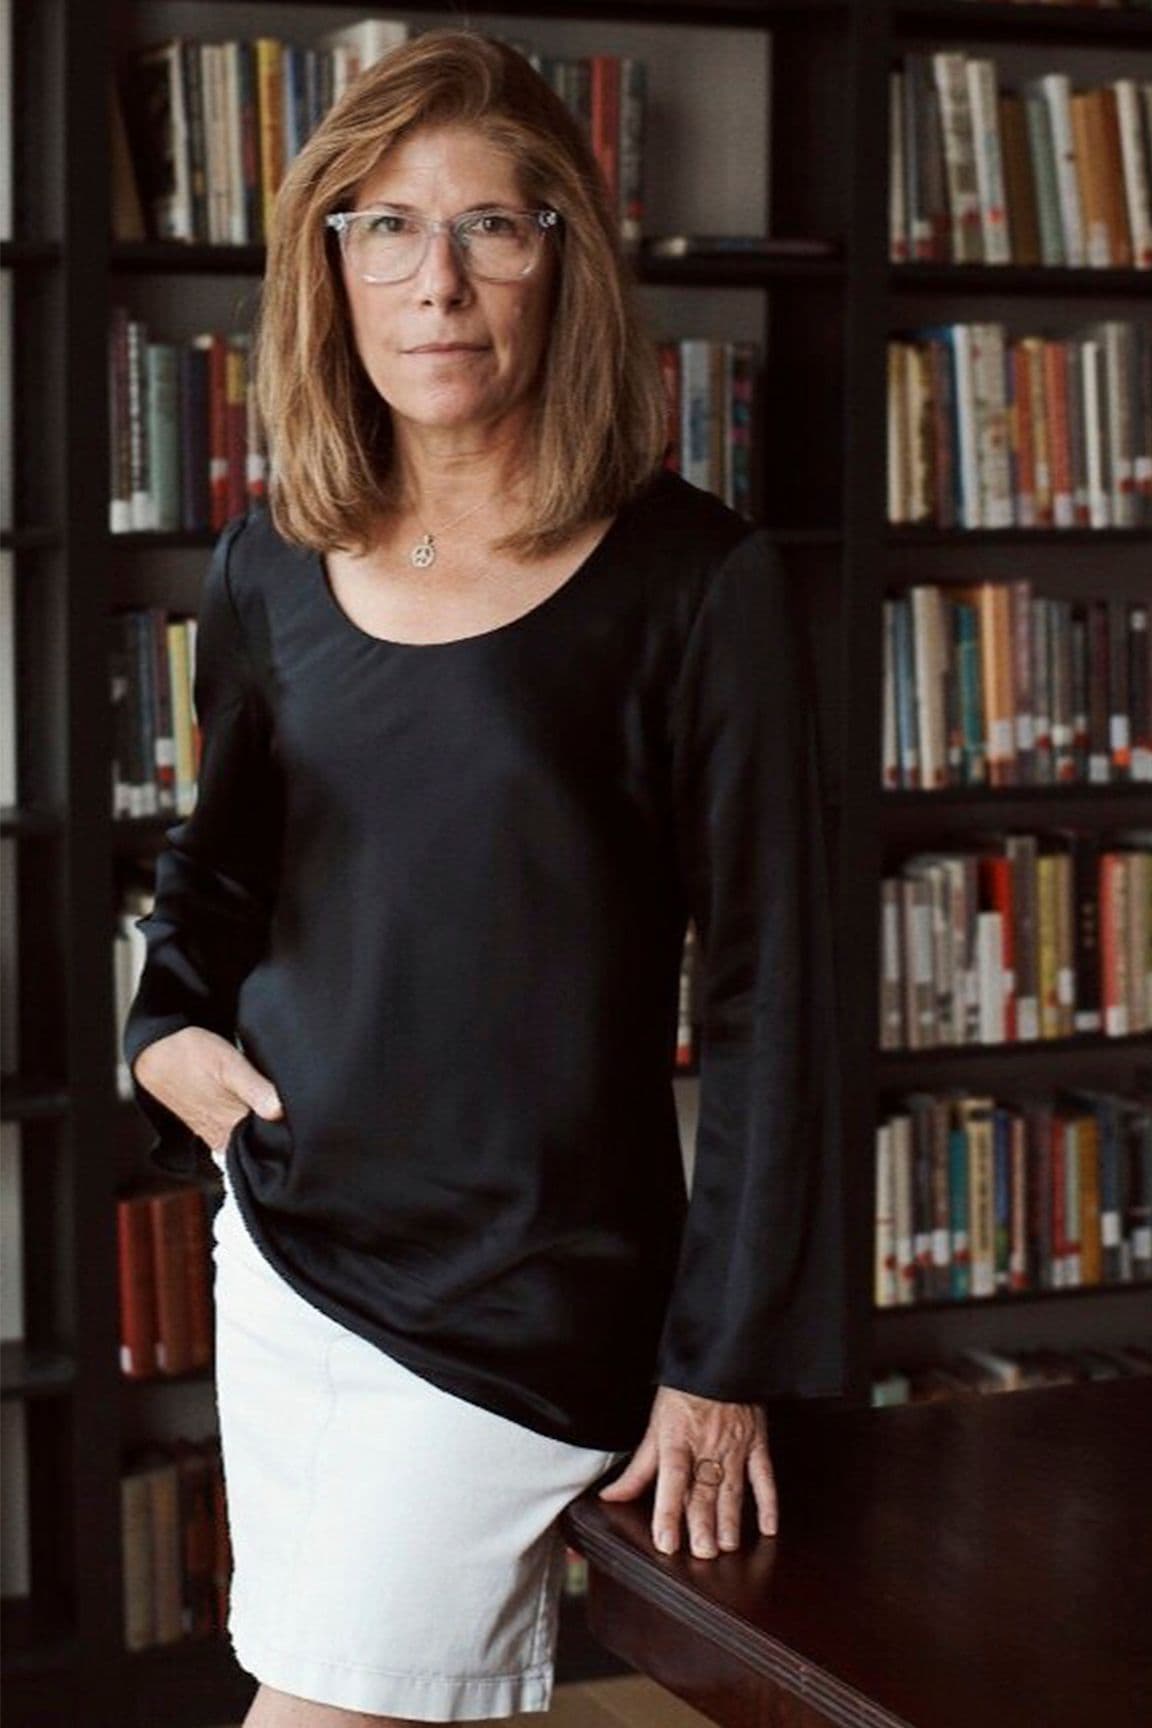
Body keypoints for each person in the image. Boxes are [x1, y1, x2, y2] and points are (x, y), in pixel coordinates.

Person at [122, 26, 845, 1728]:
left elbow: (774, 995)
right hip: (287, 1249)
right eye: (386, 226)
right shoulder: (272, 558)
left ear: (561, 261)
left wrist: (722, 1359)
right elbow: (218, 870)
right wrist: (161, 1036)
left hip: (522, 1297)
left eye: (489, 228)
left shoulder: (697, 582)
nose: (435, 281)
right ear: (331, 267)